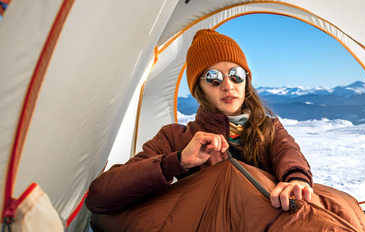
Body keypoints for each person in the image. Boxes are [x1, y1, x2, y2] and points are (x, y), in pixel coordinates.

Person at [86, 28, 313, 214]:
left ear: (246, 80)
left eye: (236, 74)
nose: (228, 85)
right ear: (199, 90)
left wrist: (297, 180)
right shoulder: (177, 137)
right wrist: (177, 162)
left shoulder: (269, 129)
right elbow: (100, 196)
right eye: (213, 78)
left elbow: (288, 154)